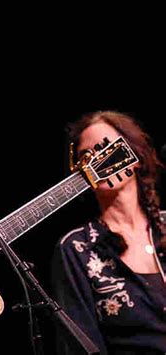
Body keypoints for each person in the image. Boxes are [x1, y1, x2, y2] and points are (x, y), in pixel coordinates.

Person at [51, 111, 166, 354]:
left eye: (106, 148)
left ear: (132, 156)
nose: (97, 161)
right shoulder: (77, 248)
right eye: (86, 156)